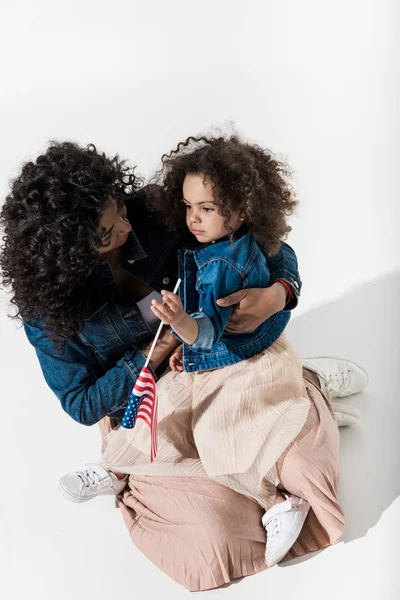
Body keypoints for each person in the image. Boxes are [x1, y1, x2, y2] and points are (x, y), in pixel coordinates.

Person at [0, 140, 367, 590]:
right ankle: (134, 467)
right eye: (106, 232)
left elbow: (258, 244)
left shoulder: (157, 213)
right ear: (70, 255)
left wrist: (278, 294)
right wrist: (156, 352)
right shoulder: (49, 309)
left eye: (118, 209)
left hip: (228, 362)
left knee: (309, 476)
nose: (124, 226)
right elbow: (81, 402)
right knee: (214, 539)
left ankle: (302, 386)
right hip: (153, 401)